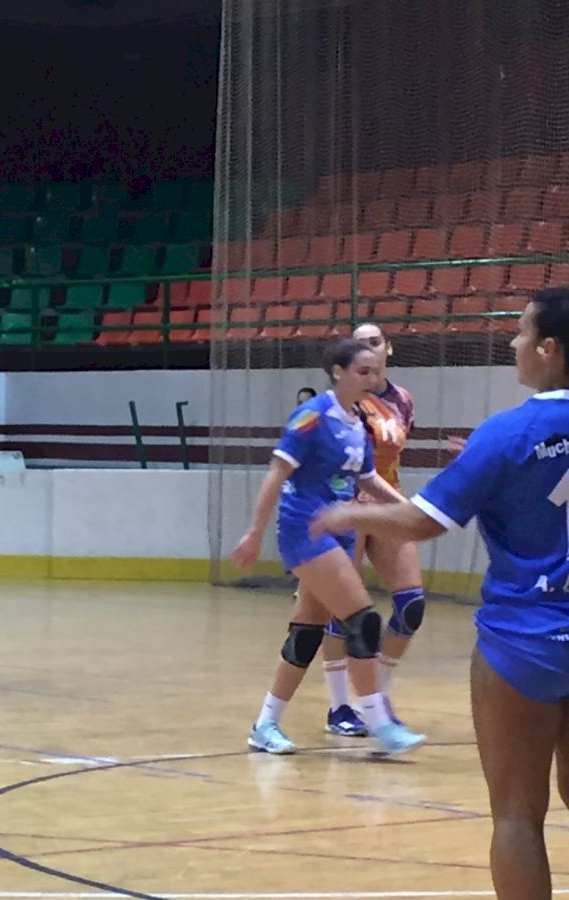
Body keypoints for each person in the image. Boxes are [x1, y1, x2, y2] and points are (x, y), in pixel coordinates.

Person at [311, 288, 569, 899]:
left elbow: (424, 521)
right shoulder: (500, 439)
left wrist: (347, 514)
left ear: (549, 349)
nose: (514, 343)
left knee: (517, 816)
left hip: (525, 644)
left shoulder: (507, 432)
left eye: (522, 332)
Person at [232, 337, 426, 756]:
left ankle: (264, 725)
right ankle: (379, 721)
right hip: (306, 529)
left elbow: (367, 479)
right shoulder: (312, 415)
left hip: (340, 529)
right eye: (362, 372)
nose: (371, 379)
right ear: (338, 372)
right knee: (363, 619)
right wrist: (254, 531)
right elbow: (276, 472)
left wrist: (408, 510)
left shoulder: (358, 420)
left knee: (306, 633)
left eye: (375, 372)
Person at [320, 322, 426, 737]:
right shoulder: (341, 403)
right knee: (342, 609)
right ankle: (339, 707)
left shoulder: (402, 399)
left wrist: (402, 506)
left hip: (386, 503)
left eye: (375, 342)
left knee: (411, 604)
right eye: (360, 344)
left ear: (389, 349)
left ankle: (376, 698)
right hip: (347, 505)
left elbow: (391, 457)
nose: (368, 349)